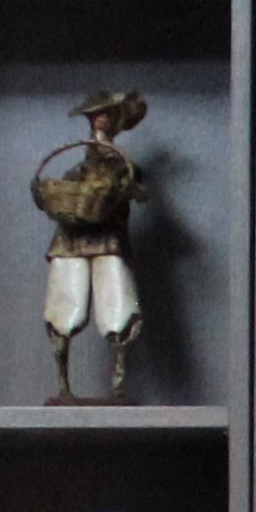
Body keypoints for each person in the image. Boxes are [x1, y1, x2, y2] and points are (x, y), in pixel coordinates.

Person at [31, 89, 149, 403]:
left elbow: (139, 190)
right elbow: (66, 188)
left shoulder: (122, 165)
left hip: (108, 240)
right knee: (62, 310)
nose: (99, 120)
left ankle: (117, 387)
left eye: (106, 115)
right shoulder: (83, 166)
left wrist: (126, 188)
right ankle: (64, 386)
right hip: (71, 240)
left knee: (118, 309)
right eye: (96, 115)